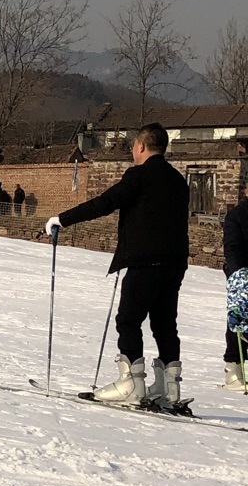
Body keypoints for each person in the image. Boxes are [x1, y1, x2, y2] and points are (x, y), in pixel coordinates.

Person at [47, 122, 190, 409]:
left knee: (128, 320)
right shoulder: (178, 180)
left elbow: (106, 202)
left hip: (144, 260)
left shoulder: (138, 175)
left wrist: (62, 219)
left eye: (133, 147)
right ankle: (169, 388)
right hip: (174, 263)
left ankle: (132, 382)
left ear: (141, 146)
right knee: (164, 323)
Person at [222, 180, 248, 389]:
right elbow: (232, 246)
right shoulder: (237, 215)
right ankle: (233, 367)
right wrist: (238, 273)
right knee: (239, 317)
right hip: (242, 274)